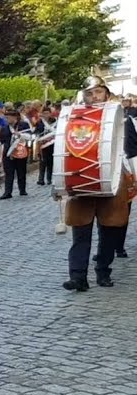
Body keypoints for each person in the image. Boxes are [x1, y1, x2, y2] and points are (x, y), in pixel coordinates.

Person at [59, 74, 137, 291]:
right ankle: (78, 277)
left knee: (110, 230)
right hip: (81, 179)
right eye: (90, 93)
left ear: (107, 94)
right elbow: (63, 149)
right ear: (84, 96)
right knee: (80, 233)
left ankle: (103, 271)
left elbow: (132, 152)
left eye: (99, 92)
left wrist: (134, 178)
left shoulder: (122, 119)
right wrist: (60, 182)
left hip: (114, 180)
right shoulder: (74, 119)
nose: (94, 96)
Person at [0, 107, 32, 199]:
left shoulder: (23, 125)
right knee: (9, 173)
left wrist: (20, 135)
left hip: (20, 152)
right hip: (8, 153)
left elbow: (30, 136)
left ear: (15, 117)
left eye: (8, 117)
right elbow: (1, 140)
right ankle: (7, 192)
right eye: (6, 117)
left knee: (21, 172)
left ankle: (22, 190)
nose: (7, 119)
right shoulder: (4, 129)